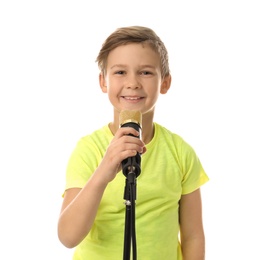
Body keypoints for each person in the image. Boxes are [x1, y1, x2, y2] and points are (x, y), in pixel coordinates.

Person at [57, 25, 209, 260]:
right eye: (120, 72)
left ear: (165, 83)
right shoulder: (89, 150)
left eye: (146, 72)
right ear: (103, 82)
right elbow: (68, 236)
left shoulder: (180, 152)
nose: (133, 83)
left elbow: (193, 235)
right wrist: (104, 170)